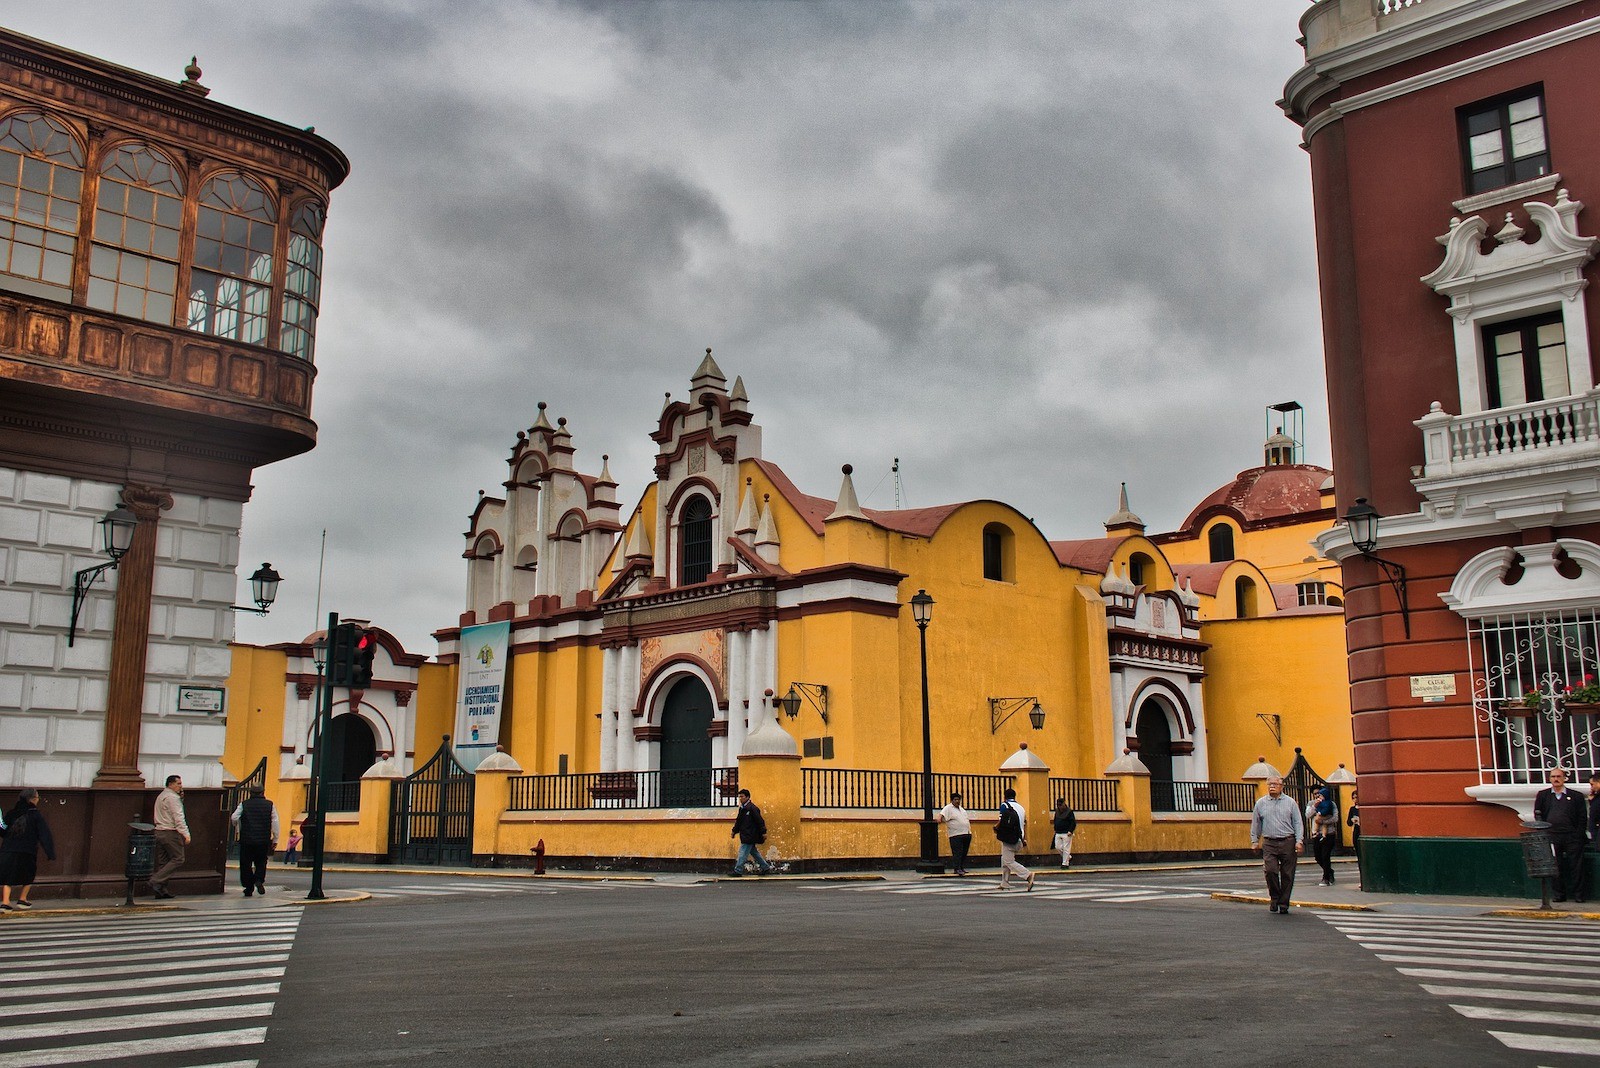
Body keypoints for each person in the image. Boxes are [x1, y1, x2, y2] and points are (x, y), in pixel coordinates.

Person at [1250, 776, 1304, 914]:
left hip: (1288, 841)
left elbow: (1297, 822)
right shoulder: (1261, 803)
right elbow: (1256, 823)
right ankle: (1274, 897)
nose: (1272, 786)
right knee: (1270, 870)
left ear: (1282, 787)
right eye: (1269, 784)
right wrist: (1255, 841)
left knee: (1287, 874)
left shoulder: (1290, 803)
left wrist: (1299, 841)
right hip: (1269, 842)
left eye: (1275, 784)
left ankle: (1283, 903)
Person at [1535, 767, 1587, 902]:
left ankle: (1579, 895)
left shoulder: (1576, 796)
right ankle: (1559, 894)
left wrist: (1578, 834)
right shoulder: (1543, 795)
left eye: (1558, 776)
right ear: (1549, 779)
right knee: (1555, 866)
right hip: (1552, 836)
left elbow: (1582, 817)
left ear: (1564, 778)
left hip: (1572, 837)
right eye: (1553, 777)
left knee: (1576, 866)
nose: (1556, 779)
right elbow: (1538, 814)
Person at [0, 788, 55, 910]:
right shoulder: (36, 815)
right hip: (27, 850)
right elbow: (44, 834)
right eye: (37, 798)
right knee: (29, 875)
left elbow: (2, 830)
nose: (38, 800)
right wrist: (50, 852)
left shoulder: (12, 813)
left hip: (8, 849)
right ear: (32, 799)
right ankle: (22, 899)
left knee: (8, 875)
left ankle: (5, 902)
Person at [231, 784, 279, 897]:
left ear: (250, 793)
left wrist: (238, 827)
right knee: (261, 861)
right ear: (263, 792)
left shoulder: (244, 804)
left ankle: (248, 887)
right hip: (263, 840)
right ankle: (258, 879)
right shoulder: (270, 805)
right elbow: (275, 823)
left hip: (246, 839)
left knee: (245, 864)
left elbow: (234, 817)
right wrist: (275, 839)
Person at [150, 773, 190, 899]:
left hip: (159, 831)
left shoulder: (162, 796)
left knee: (163, 861)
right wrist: (185, 833)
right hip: (170, 832)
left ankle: (161, 890)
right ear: (171, 784)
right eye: (178, 783)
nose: (181, 786)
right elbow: (178, 817)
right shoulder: (173, 798)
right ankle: (156, 880)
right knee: (178, 858)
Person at [995, 788, 1034, 891]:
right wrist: (1024, 839)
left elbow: (1001, 820)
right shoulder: (1021, 808)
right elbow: (1024, 824)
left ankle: (1028, 875)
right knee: (1005, 859)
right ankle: (1005, 882)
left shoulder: (1005, 806)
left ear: (1005, 796)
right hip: (1019, 838)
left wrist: (995, 828)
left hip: (1009, 837)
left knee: (1008, 861)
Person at [729, 789, 774, 876]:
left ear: (748, 797)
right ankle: (765, 867)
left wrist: (763, 832)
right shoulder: (742, 808)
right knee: (754, 852)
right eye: (739, 797)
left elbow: (760, 821)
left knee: (742, 852)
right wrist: (734, 831)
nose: (740, 798)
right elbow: (739, 821)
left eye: (742, 796)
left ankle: (738, 870)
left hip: (750, 834)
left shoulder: (752, 808)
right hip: (746, 834)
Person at [937, 791, 972, 875]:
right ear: (952, 800)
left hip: (966, 833)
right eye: (955, 799)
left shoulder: (962, 809)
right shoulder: (948, 808)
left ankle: (961, 867)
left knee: (964, 852)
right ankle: (957, 868)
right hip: (956, 835)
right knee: (958, 852)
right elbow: (940, 815)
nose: (957, 801)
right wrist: (939, 819)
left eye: (958, 799)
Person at [1310, 785, 1339, 886]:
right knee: (1318, 857)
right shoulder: (1312, 804)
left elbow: (1335, 818)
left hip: (1329, 833)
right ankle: (1329, 871)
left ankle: (1326, 878)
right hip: (1316, 834)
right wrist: (1315, 806)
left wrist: (1323, 821)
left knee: (1325, 855)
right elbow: (1308, 815)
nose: (1318, 796)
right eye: (1315, 794)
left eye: (1319, 794)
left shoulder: (1331, 804)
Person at [1052, 799, 1077, 868]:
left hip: (1066, 833)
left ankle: (1065, 863)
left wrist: (1070, 831)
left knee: (1066, 848)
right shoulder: (1057, 811)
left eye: (1060, 805)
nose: (1059, 807)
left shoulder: (1069, 812)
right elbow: (1055, 820)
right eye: (1058, 805)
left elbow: (1073, 822)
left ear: (1064, 804)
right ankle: (1068, 857)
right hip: (1058, 832)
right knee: (1058, 847)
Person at [1346, 788, 1361, 887]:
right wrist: (1352, 821)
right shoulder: (1352, 809)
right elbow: (1348, 823)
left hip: (1362, 831)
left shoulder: (1364, 808)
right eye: (1353, 798)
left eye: (1357, 797)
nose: (1355, 799)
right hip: (1356, 831)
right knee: (1359, 856)